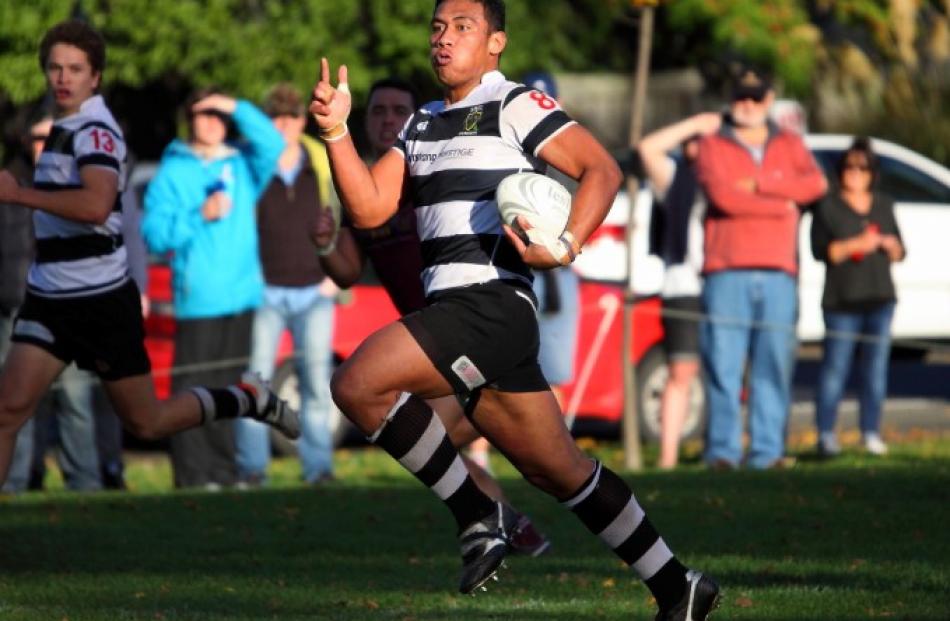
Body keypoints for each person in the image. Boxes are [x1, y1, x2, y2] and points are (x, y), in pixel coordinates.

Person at [310, 1, 720, 617]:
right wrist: (338, 133)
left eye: (463, 28)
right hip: (462, 315)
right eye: (438, 28)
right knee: (561, 471)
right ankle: (678, 586)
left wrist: (566, 244)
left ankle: (479, 514)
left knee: (356, 384)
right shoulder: (419, 124)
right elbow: (368, 210)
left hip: (492, 305)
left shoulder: (514, 104)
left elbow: (600, 169)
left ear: (496, 42)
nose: (444, 40)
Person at [0, 19, 298, 492]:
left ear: (95, 77)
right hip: (49, 294)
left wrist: (20, 196)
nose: (63, 77)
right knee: (8, 411)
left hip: (99, 300)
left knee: (148, 422)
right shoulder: (62, 127)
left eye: (75, 69)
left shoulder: (96, 131)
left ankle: (244, 399)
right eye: (55, 68)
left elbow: (96, 205)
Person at [314, 76, 550, 556]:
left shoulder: (439, 168)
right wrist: (321, 243)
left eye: (396, 112)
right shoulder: (364, 187)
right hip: (427, 342)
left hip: (468, 327)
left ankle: (498, 519)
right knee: (431, 438)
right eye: (376, 112)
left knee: (431, 435)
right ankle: (507, 522)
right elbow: (344, 272)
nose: (385, 120)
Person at [143, 84, 286, 490]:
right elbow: (154, 234)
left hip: (241, 298)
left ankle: (223, 474)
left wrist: (233, 104)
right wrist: (198, 214)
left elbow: (272, 142)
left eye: (218, 115)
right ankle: (191, 476)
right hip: (198, 301)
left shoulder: (241, 163)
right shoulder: (174, 170)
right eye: (203, 114)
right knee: (191, 394)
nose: (212, 122)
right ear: (190, 120)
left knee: (228, 392)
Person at [695, 65, 827, 470]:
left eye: (756, 98)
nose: (747, 105)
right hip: (726, 269)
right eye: (740, 98)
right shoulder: (713, 145)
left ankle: (767, 452)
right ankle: (722, 452)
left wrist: (760, 186)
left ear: (769, 101)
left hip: (778, 272)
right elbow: (723, 198)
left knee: (773, 365)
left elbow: (816, 185)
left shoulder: (790, 143)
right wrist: (781, 203)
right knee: (723, 366)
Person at [234, 83, 338, 486]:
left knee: (316, 384)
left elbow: (341, 217)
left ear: (301, 120)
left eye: (291, 116)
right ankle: (252, 469)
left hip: (315, 290)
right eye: (274, 117)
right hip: (264, 291)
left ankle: (318, 468)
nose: (284, 124)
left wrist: (335, 274)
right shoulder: (251, 162)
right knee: (256, 381)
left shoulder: (319, 160)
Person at [810, 137, 904, 457]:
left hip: (880, 298)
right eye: (849, 167)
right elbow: (823, 252)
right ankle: (825, 434)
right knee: (835, 369)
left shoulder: (884, 204)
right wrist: (857, 244)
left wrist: (891, 246)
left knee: (875, 372)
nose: (855, 173)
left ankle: (871, 432)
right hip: (842, 302)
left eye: (862, 167)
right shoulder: (828, 206)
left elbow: (900, 251)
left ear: (872, 173)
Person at [638, 113, 721, 469]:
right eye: (692, 143)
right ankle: (669, 459)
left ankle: (719, 451)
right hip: (684, 286)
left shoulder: (727, 177)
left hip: (724, 282)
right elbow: (648, 148)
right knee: (681, 371)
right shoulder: (677, 179)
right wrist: (697, 124)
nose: (697, 148)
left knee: (724, 372)